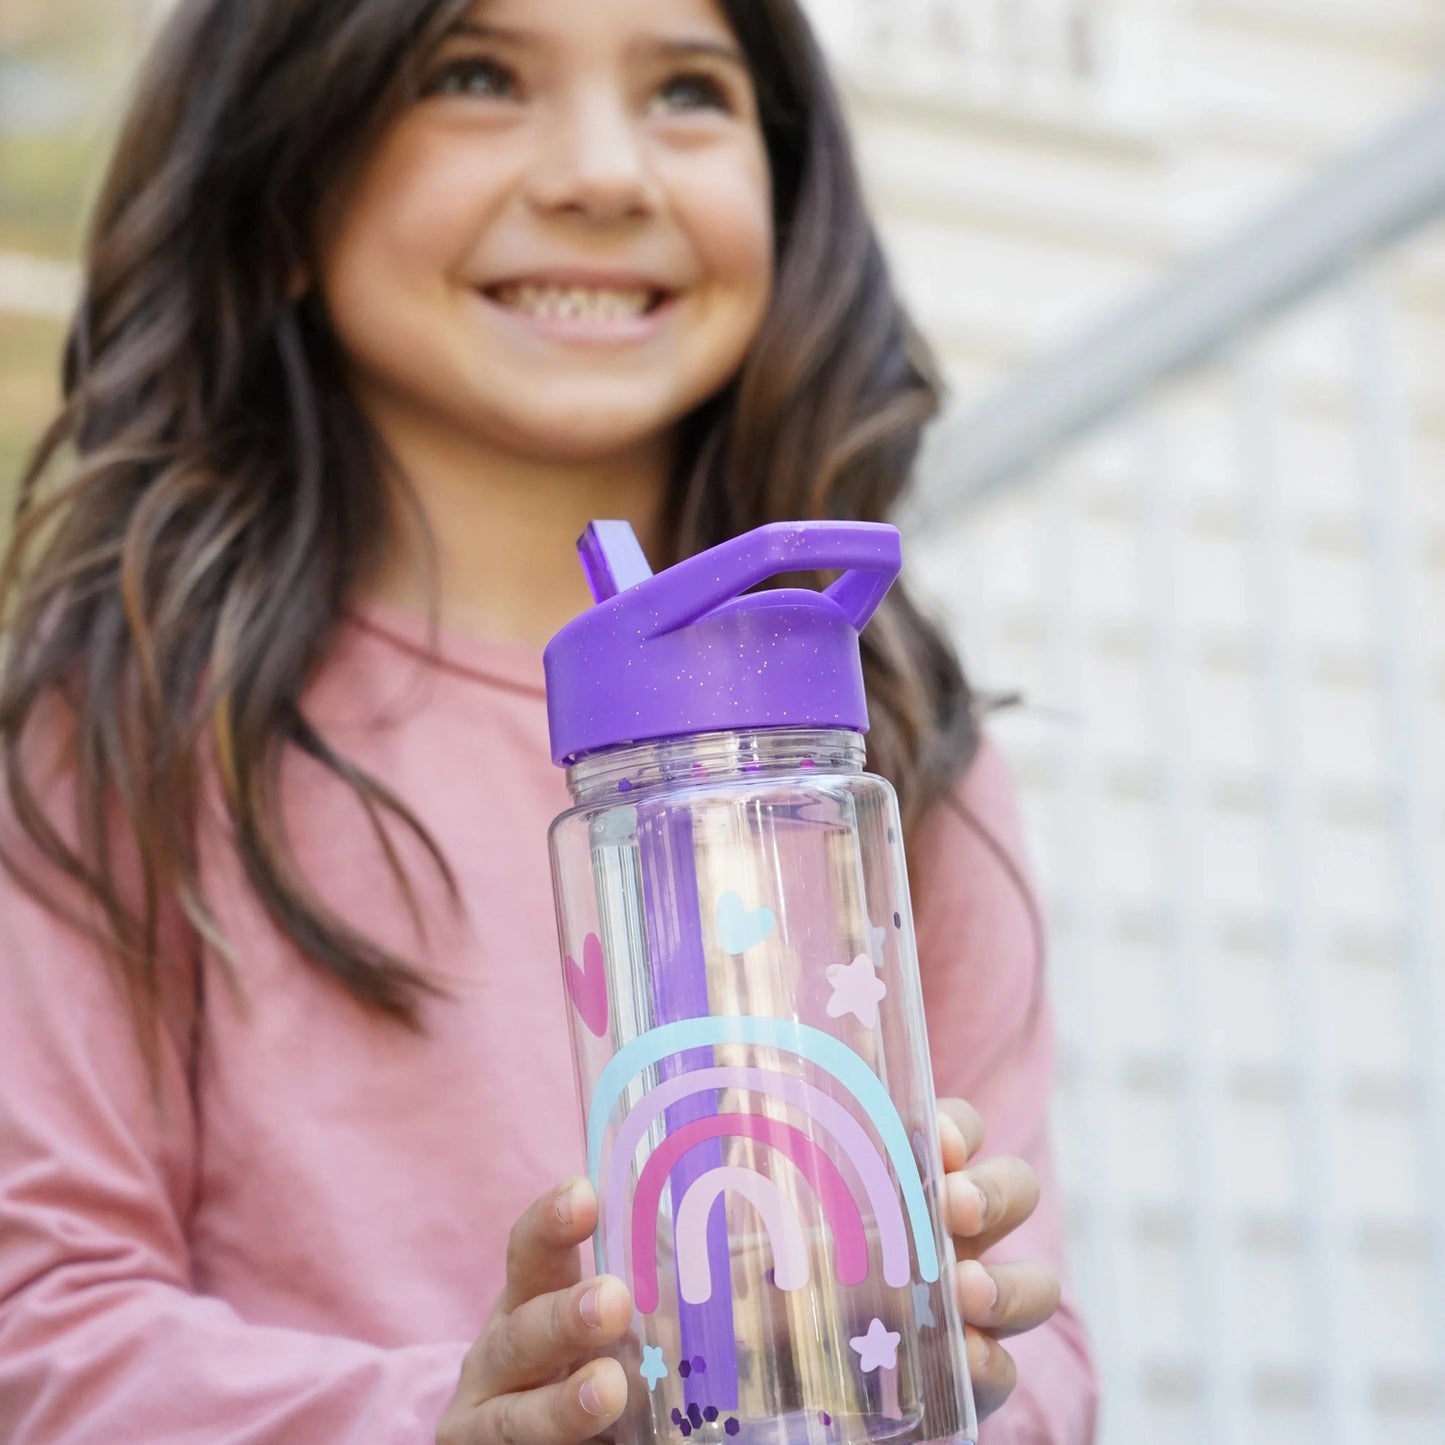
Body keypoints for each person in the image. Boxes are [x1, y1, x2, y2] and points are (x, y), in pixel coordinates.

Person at [0, 0, 1098, 1441]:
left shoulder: (897, 735)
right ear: (278, 183)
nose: (603, 172)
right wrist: (458, 1421)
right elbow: (42, 1325)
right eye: (474, 74)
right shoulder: (130, 714)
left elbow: (1046, 1353)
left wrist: (939, 1370)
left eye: (688, 92)